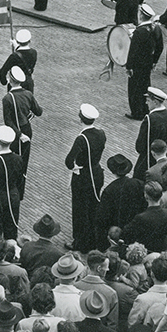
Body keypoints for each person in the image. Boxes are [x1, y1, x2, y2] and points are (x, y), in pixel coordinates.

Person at [65, 104, 105, 254]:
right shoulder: (101, 134)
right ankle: (93, 239)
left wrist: (75, 167)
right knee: (93, 208)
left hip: (83, 177)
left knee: (80, 210)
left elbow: (69, 161)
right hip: (96, 172)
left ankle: (80, 242)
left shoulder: (81, 138)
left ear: (80, 118)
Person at [125, 5, 163, 119]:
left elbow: (133, 51)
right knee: (145, 86)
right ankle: (145, 108)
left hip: (137, 65)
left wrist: (129, 66)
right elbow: (160, 47)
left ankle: (137, 112)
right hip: (148, 63)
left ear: (141, 15)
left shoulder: (139, 32)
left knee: (134, 89)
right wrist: (154, 61)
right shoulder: (155, 28)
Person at [134, 87, 167, 180]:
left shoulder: (150, 119)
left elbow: (140, 145)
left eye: (148, 100)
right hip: (165, 155)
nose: (146, 103)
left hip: (149, 158)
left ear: (155, 102)